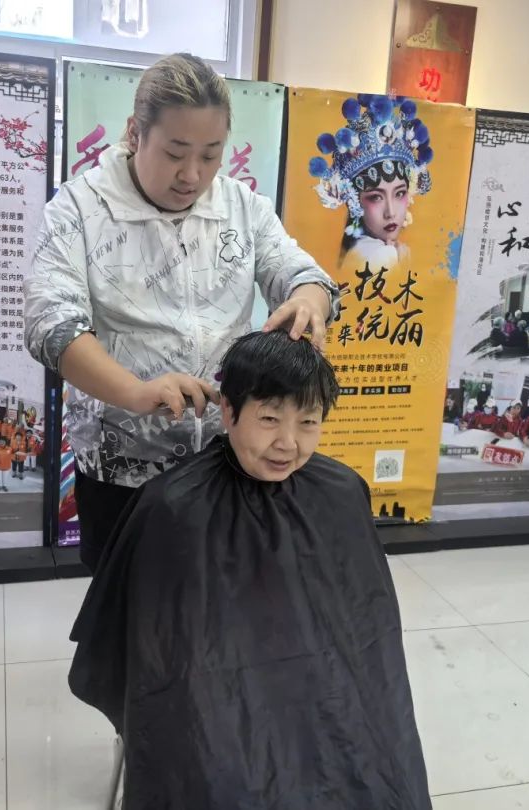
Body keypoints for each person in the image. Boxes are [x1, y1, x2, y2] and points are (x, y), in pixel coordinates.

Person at [69, 331, 432, 808]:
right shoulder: (172, 508)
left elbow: (369, 635)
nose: (288, 443)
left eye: (308, 422)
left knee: (370, 767)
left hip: (327, 692)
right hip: (210, 698)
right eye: (268, 419)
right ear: (229, 411)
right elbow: (152, 656)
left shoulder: (342, 492)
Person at [24, 53, 338, 572]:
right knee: (131, 600)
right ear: (135, 133)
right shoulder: (79, 209)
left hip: (227, 458)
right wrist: (137, 392)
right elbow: (51, 327)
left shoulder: (241, 206)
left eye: (211, 155)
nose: (193, 175)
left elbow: (301, 273)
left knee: (223, 592)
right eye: (175, 153)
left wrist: (308, 298)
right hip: (123, 467)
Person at [306, 96, 432, 278]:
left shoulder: (359, 249)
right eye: (376, 197)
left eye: (399, 193)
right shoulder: (382, 255)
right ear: (355, 201)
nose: (390, 213)